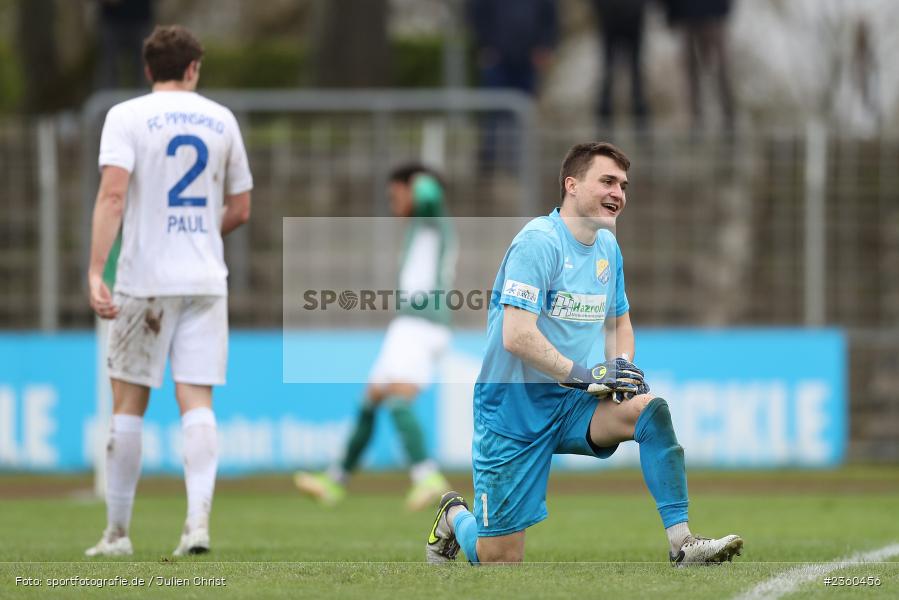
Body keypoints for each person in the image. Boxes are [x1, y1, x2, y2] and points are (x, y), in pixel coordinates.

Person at [425, 142, 743, 566]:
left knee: (651, 412)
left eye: (624, 185)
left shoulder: (608, 249)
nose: (618, 194)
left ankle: (682, 544)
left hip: (572, 400)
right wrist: (583, 374)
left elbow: (618, 322)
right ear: (571, 185)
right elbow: (516, 336)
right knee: (499, 559)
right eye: (607, 181)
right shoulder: (538, 243)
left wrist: (623, 367)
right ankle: (454, 517)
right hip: (512, 409)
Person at [85, 25, 253, 557]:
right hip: (205, 279)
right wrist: (202, 233)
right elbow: (243, 207)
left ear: (148, 69)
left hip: (146, 278)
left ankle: (117, 533)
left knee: (129, 404)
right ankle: (197, 525)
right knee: (197, 400)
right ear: (194, 68)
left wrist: (95, 270)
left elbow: (113, 197)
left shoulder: (126, 116)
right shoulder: (222, 119)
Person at [294, 164, 456, 511]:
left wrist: (420, 181)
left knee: (398, 398)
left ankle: (428, 477)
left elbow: (429, 195)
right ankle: (335, 481)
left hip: (420, 324)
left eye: (394, 194)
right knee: (372, 399)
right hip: (409, 324)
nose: (391, 202)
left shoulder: (430, 218)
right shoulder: (420, 228)